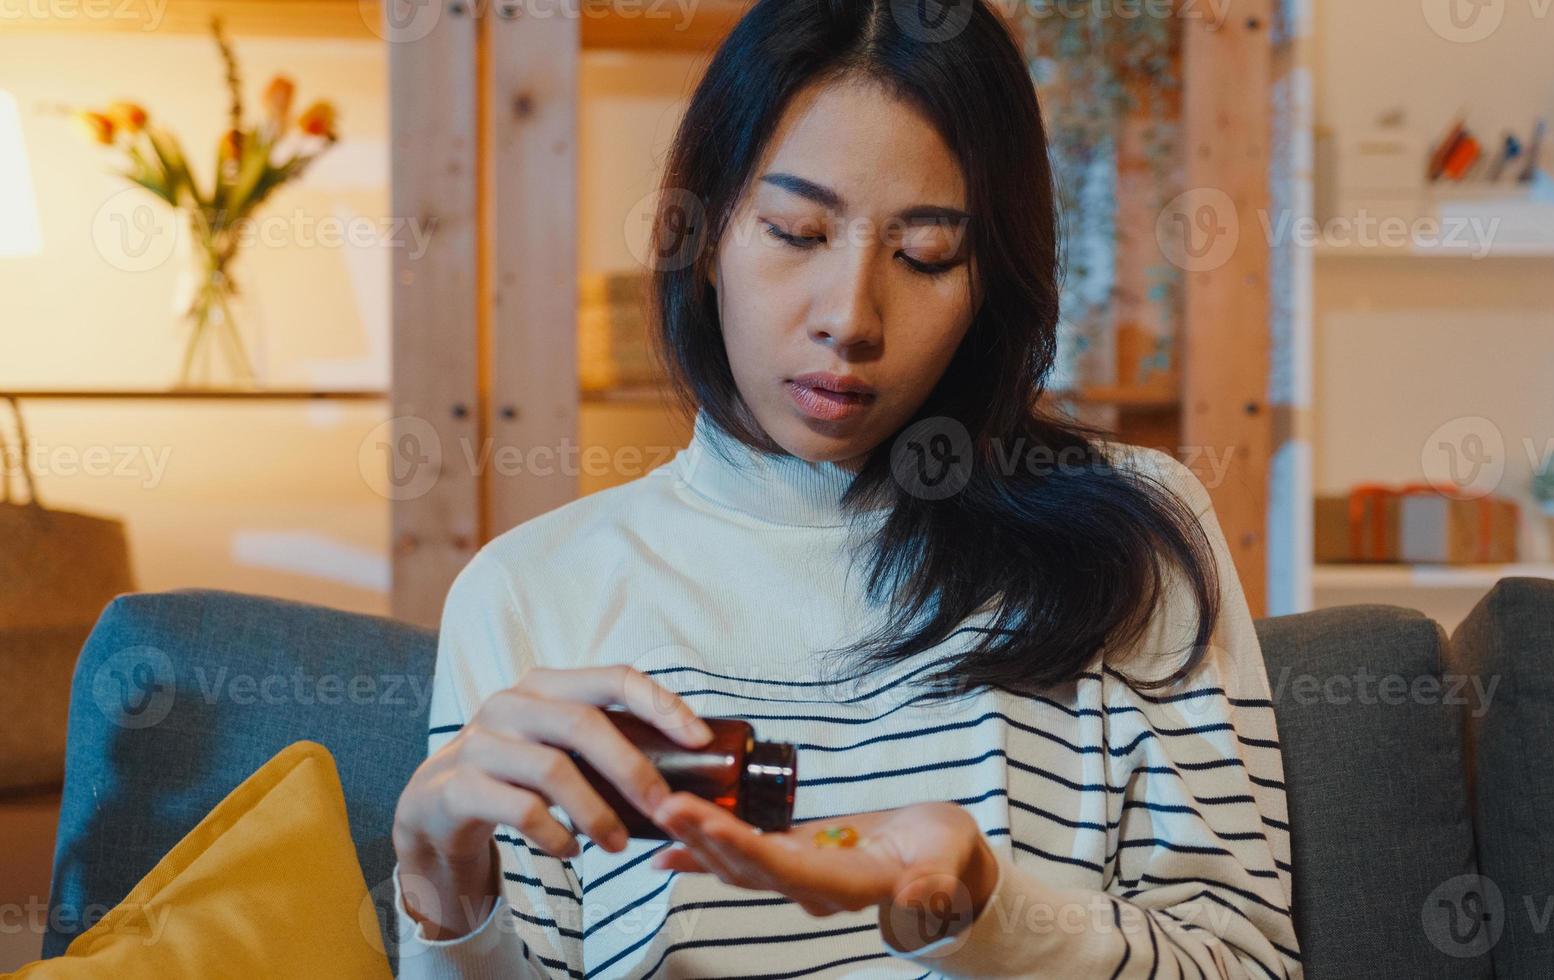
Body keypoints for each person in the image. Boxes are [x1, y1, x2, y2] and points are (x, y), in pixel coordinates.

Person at [389, 0, 1299, 975]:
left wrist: (982, 913)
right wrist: (446, 896)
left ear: (989, 277)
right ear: (700, 236)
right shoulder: (530, 591)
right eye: (794, 230)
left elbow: (1244, 961)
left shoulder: (1135, 534)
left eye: (923, 254)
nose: (850, 317)